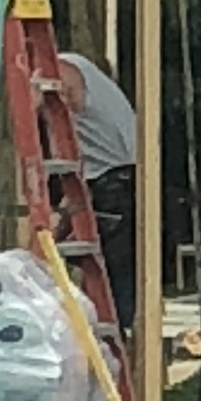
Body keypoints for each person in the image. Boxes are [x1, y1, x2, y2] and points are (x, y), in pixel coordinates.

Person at [61, 48, 138, 314]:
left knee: (110, 278)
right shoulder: (89, 73)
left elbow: (55, 98)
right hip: (121, 179)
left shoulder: (65, 69)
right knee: (111, 274)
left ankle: (113, 340)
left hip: (112, 183)